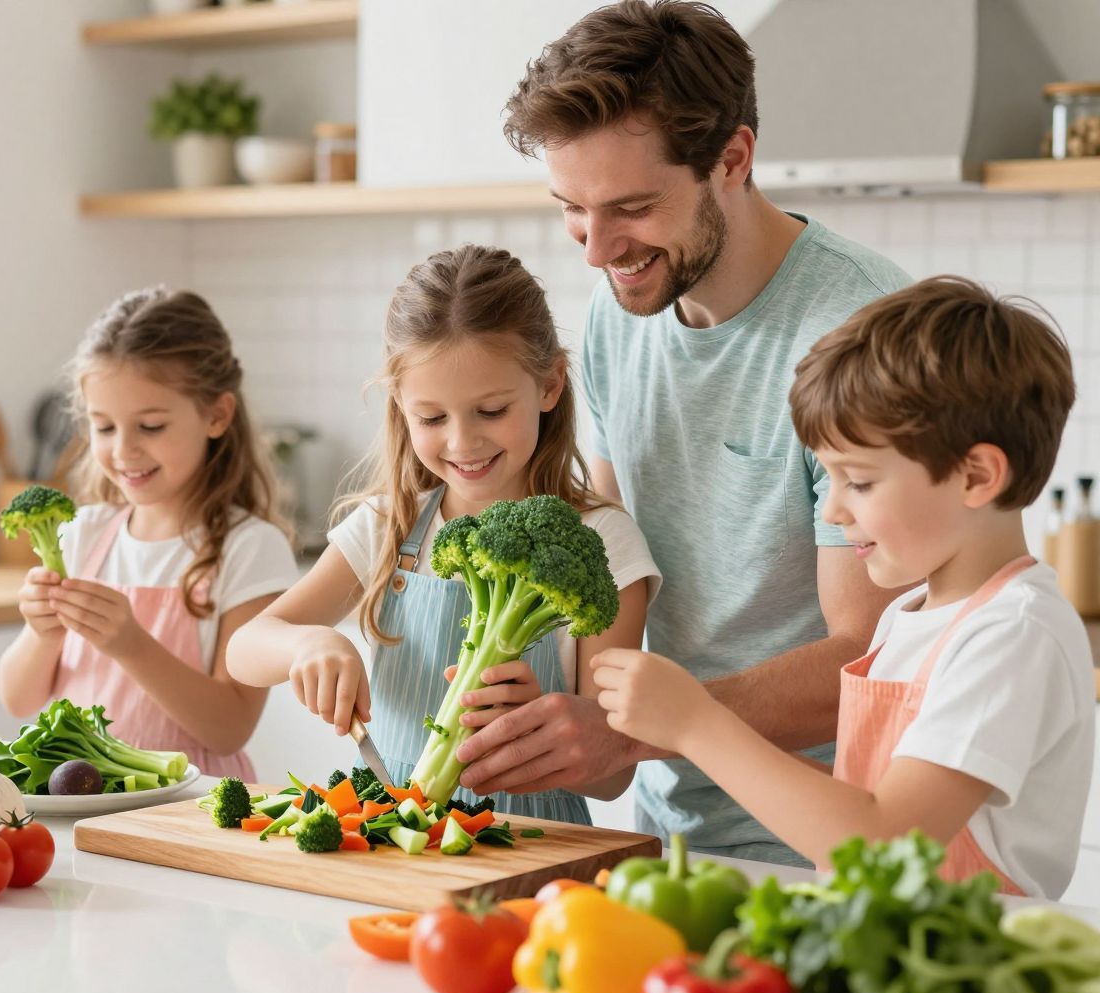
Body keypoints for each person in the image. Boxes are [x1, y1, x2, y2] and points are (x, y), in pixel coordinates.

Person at [456, 0, 913, 862]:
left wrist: (629, 734)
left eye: (630, 207)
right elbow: (616, 559)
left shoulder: (861, 334)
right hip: (663, 833)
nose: (596, 250)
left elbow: (868, 656)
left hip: (822, 844)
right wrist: (560, 699)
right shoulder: (617, 312)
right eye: (571, 210)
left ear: (732, 158)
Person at [593, 277, 1091, 899]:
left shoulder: (1014, 633)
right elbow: (853, 806)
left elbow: (882, 839)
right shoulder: (911, 614)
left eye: (857, 482)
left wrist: (698, 723)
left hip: (964, 973)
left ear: (976, 474)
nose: (831, 511)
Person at [227, 245, 660, 822]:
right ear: (401, 407)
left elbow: (613, 777)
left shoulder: (602, 542)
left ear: (551, 385)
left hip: (537, 854)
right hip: (391, 839)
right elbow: (244, 649)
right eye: (432, 418)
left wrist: (549, 724)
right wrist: (305, 643)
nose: (462, 442)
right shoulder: (391, 525)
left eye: (491, 410)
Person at [0, 287, 298, 780]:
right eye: (104, 427)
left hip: (190, 808)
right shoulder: (82, 534)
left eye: (151, 426)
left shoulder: (248, 548)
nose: (124, 450)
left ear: (216, 415)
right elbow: (17, 698)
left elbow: (230, 727)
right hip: (82, 802)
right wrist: (41, 631)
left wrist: (132, 644)